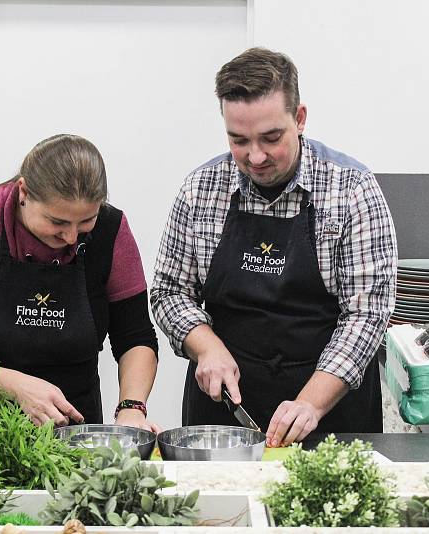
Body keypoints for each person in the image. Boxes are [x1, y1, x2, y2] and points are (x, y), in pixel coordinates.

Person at [151, 48, 397, 446]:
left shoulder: (351, 189)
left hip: (330, 412)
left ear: (299, 119)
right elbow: (169, 292)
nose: (256, 156)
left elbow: (367, 315)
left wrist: (310, 404)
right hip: (225, 412)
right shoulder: (200, 189)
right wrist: (206, 346)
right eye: (239, 140)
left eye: (270, 138)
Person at [0, 134, 160, 430]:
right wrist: (15, 387)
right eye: (57, 223)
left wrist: (132, 408)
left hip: (73, 431)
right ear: (24, 192)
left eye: (85, 223)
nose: (70, 237)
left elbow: (135, 338)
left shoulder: (111, 229)